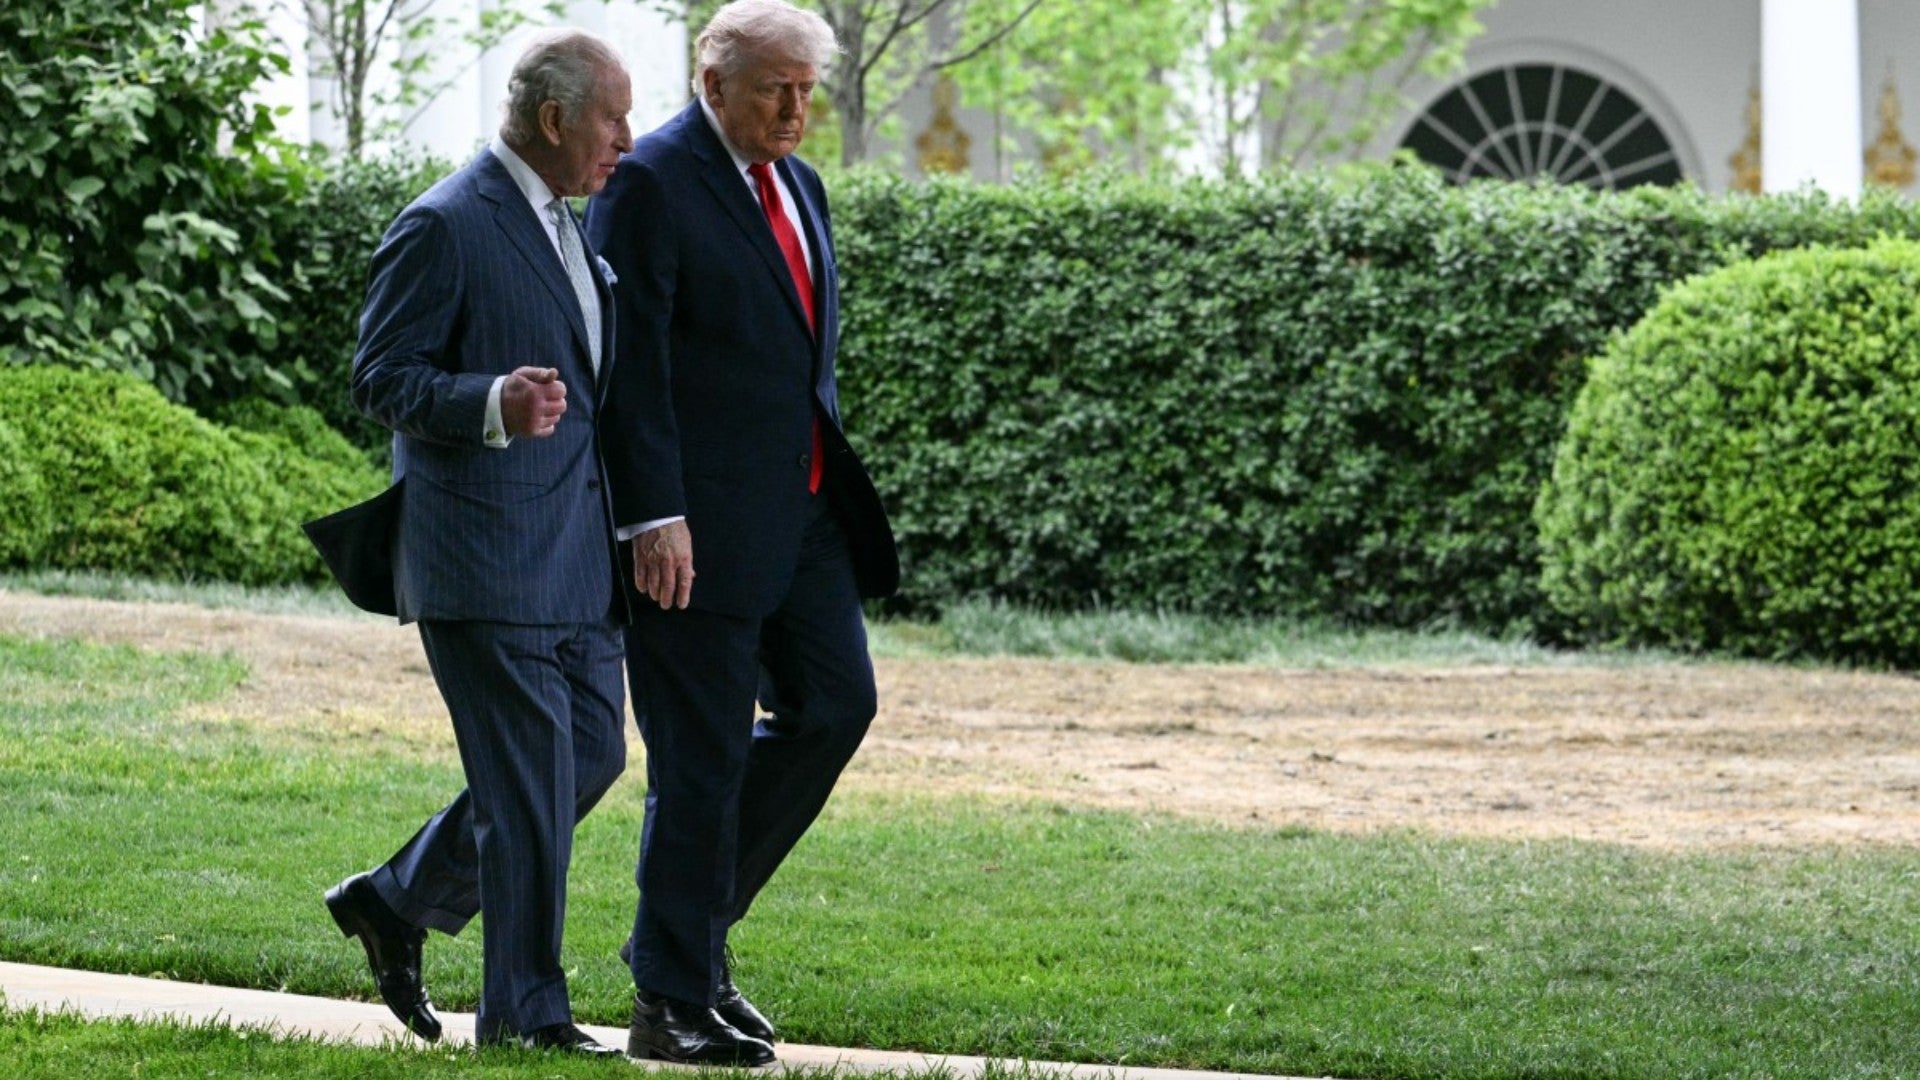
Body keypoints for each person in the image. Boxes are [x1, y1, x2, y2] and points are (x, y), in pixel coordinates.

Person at [584, 0, 899, 1066]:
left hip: (800, 518)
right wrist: (651, 513)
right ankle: (670, 1002)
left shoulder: (800, 186)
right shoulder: (648, 184)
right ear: (714, 81)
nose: (798, 109)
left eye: (809, 90)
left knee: (835, 705)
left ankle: (688, 944)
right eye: (778, 88)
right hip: (689, 532)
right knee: (702, 762)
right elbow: (628, 372)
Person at [319, 29, 633, 1057]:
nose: (625, 140)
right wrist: (489, 401)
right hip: (482, 557)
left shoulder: (570, 227)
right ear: (555, 120)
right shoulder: (446, 224)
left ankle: (397, 899)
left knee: (588, 755)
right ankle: (526, 1014)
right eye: (611, 118)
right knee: (535, 778)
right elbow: (381, 378)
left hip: (577, 558)